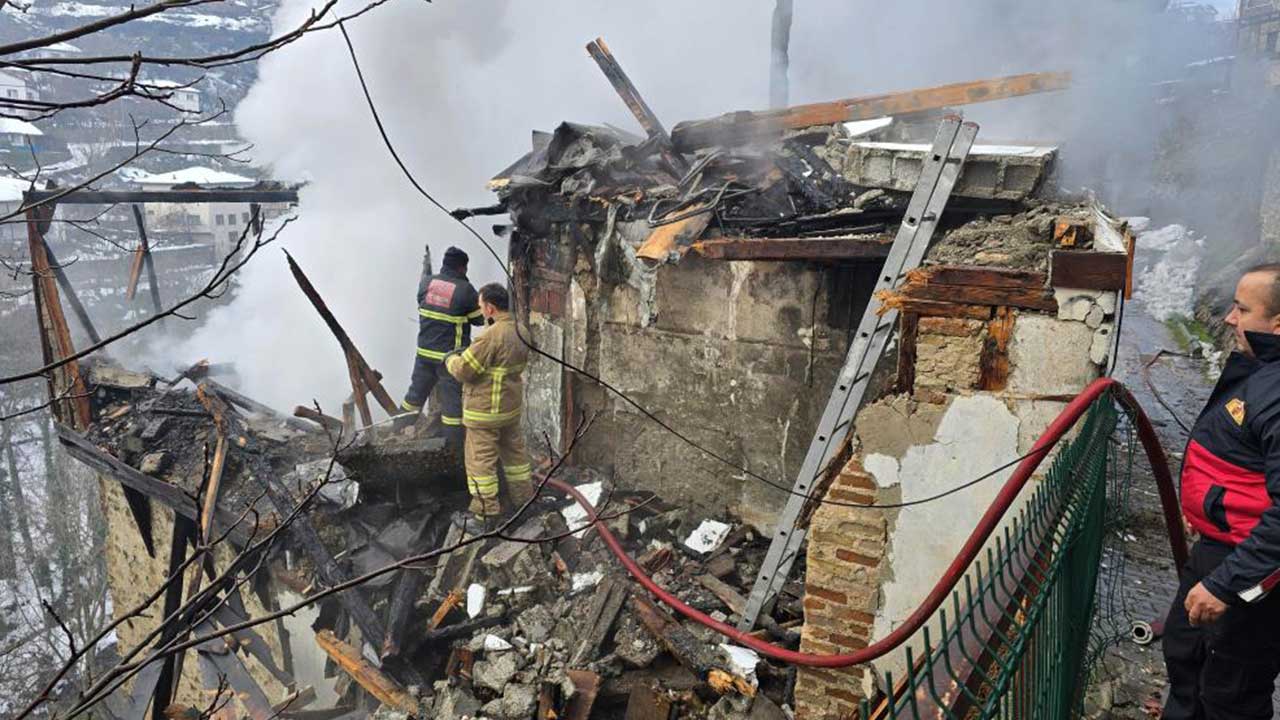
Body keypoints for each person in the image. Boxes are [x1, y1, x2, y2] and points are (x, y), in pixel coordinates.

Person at [1162, 264, 1280, 720]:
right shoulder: (1261, 369)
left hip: (1252, 568)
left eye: (1242, 308)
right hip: (1224, 550)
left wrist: (1229, 584)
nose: (1230, 318)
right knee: (1186, 659)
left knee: (1232, 693)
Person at [445, 283, 533, 526]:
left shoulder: (489, 336)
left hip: (484, 413)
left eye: (482, 306)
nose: (481, 310)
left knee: (480, 462)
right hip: (509, 410)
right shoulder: (521, 330)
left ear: (491, 308)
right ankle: (524, 500)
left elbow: (465, 370)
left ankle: (484, 514)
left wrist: (451, 359)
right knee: (515, 457)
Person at [401, 245, 482, 442]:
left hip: (424, 355)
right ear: (462, 268)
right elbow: (480, 319)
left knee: (414, 396)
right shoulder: (465, 290)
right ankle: (454, 447)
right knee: (452, 407)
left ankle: (397, 429)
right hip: (449, 359)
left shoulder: (426, 283)